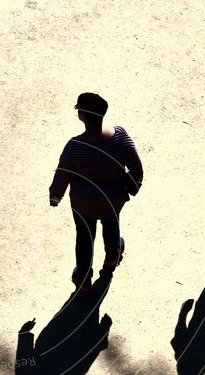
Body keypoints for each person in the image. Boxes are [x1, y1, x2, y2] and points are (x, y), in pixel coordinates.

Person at [49, 92, 144, 291]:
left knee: (84, 237)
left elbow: (62, 176)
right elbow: (137, 170)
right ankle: (112, 257)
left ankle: (83, 278)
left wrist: (55, 196)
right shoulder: (121, 136)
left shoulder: (75, 147)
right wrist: (132, 186)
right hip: (112, 200)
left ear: (81, 116)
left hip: (84, 204)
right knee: (111, 226)